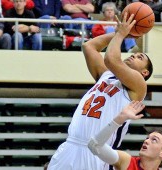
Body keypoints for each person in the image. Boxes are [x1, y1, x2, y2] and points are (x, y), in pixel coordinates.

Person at [47, 13, 153, 170]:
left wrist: (122, 35)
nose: (133, 56)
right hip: (69, 146)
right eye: (134, 53)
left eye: (140, 57)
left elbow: (111, 59)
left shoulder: (138, 85)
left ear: (145, 73)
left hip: (95, 152)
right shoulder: (107, 75)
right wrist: (119, 33)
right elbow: (89, 46)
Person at [88, 101, 162, 170]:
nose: (146, 141)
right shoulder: (126, 161)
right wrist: (120, 118)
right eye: (147, 138)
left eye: (154, 140)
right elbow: (95, 146)